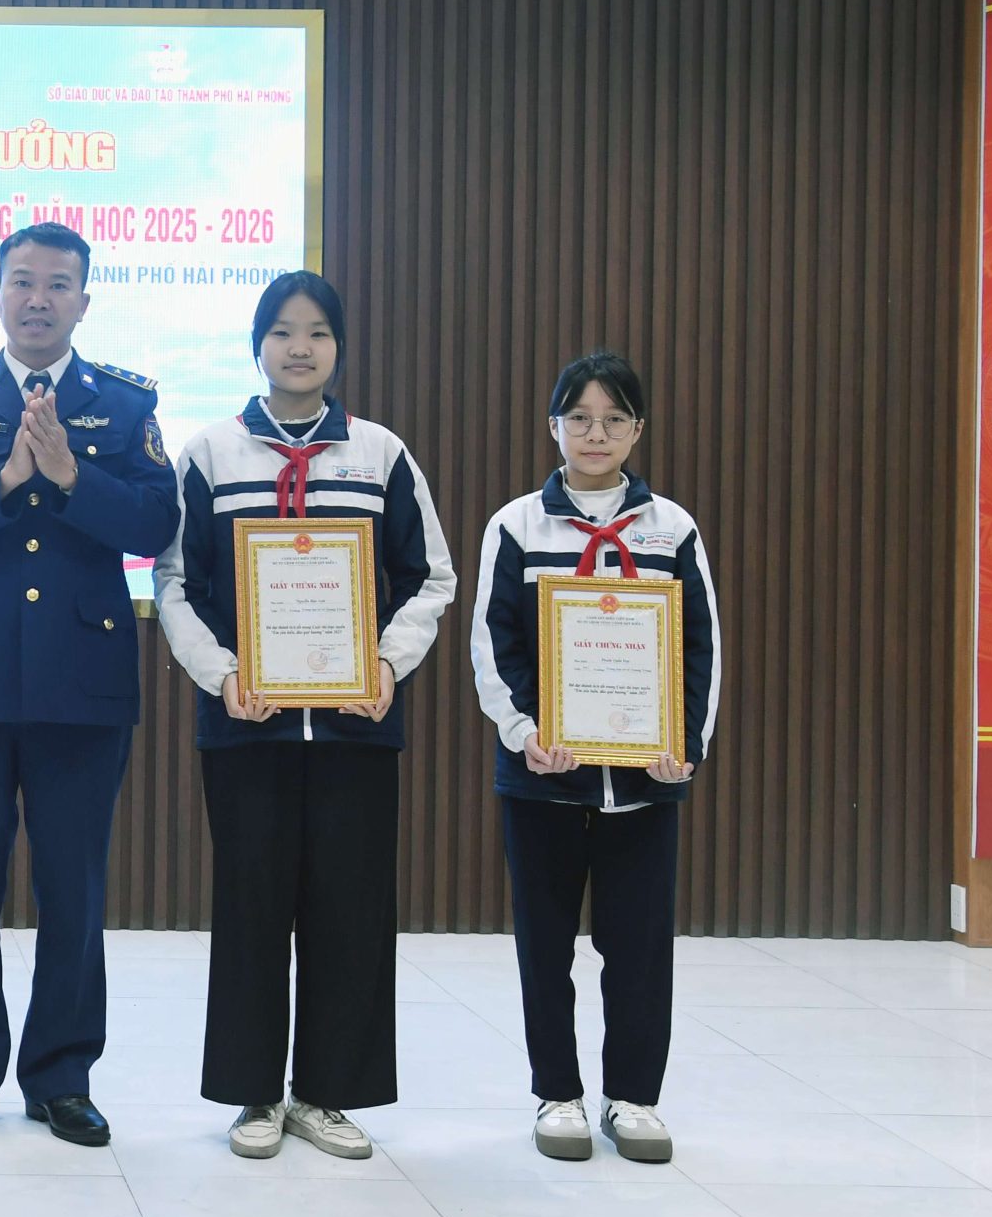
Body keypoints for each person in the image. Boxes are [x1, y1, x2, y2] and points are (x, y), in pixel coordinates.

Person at [154, 272, 455, 1161]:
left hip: (355, 727)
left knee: (349, 909)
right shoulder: (211, 454)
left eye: (317, 332)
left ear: (339, 347)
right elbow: (176, 581)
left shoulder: (381, 453)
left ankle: (328, 1093)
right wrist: (221, 675)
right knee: (250, 906)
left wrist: (387, 664)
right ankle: (253, 1093)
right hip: (248, 723)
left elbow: (431, 577)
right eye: (282, 331)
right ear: (257, 345)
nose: (299, 347)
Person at [0, 221, 181, 1148]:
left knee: (74, 891)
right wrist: (9, 477)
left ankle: (61, 1077)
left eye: (59, 285)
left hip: (82, 684)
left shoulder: (125, 404)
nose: (39, 299)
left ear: (84, 302)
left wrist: (67, 475)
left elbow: (156, 522)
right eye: (22, 281)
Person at [468, 349, 721, 1164]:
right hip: (543, 779)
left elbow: (701, 646)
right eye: (579, 417)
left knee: (639, 948)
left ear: (638, 429)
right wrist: (524, 732)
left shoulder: (672, 529)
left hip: (644, 784)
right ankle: (558, 1094)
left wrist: (684, 744)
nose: (596, 433)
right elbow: (494, 643)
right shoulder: (516, 526)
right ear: (554, 426)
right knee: (544, 947)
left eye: (614, 418)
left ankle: (634, 1097)